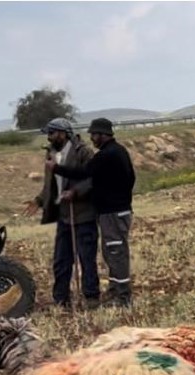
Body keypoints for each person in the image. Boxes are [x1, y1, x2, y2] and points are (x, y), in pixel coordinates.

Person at [47, 117, 136, 308]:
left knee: (115, 252)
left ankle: (121, 297)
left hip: (110, 213)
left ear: (102, 135)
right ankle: (114, 292)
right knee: (110, 251)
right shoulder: (116, 152)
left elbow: (84, 174)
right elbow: (130, 179)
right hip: (109, 211)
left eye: (94, 134)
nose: (92, 138)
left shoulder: (105, 154)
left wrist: (67, 180)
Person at [23, 117, 99, 310]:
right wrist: (39, 200)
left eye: (52, 133)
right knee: (61, 260)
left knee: (86, 258)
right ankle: (61, 299)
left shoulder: (83, 152)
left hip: (83, 213)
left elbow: (92, 179)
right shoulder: (51, 154)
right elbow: (51, 186)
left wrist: (76, 192)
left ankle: (91, 297)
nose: (49, 137)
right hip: (64, 215)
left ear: (63, 133)